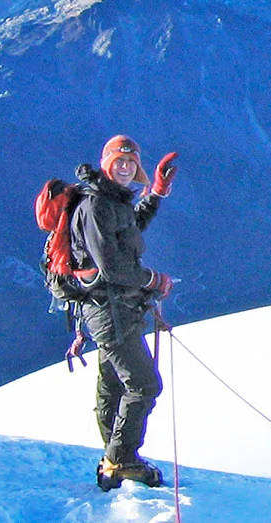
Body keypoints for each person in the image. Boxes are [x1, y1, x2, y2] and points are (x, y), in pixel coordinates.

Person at [70, 135, 178, 490]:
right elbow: (114, 267)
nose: (127, 168)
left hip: (111, 310)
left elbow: (128, 230)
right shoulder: (97, 205)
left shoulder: (110, 201)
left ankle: (112, 458)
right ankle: (121, 460)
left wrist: (155, 196)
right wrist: (154, 280)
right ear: (107, 163)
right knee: (144, 384)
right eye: (120, 161)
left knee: (114, 385)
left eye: (131, 163)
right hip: (111, 311)